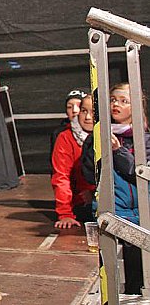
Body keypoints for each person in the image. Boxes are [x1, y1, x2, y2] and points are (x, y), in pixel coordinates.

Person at [81, 84, 149, 295]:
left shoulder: (144, 138)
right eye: (112, 100)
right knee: (109, 273)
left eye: (123, 101)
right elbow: (87, 172)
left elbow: (136, 171)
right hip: (111, 213)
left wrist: (117, 151)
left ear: (137, 106)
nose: (116, 104)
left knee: (137, 273)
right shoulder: (97, 135)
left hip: (140, 215)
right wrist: (96, 144)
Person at [51, 90, 95, 228]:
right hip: (82, 203)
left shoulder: (115, 135)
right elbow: (61, 177)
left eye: (93, 112)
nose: (87, 117)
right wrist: (65, 214)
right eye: (83, 111)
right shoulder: (65, 137)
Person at [50, 89, 86, 169]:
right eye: (69, 107)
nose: (74, 110)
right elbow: (58, 168)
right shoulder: (61, 134)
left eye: (79, 106)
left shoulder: (101, 130)